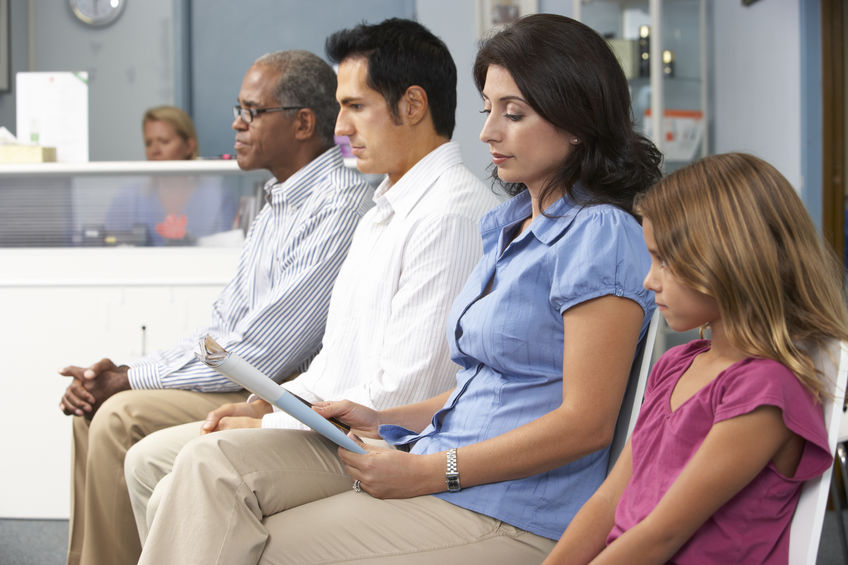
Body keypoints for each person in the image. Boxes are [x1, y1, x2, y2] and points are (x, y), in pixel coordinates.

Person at [137, 14, 661, 564]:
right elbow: (480, 392)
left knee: (252, 541)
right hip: (447, 466)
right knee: (213, 494)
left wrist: (430, 470)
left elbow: (586, 424)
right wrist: (381, 417)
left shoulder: (598, 232)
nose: (488, 133)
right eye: (489, 111)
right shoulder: (512, 225)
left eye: (515, 114)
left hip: (511, 510)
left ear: (577, 121)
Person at [125, 16, 498, 551]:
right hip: (334, 430)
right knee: (149, 464)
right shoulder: (383, 209)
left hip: (381, 445)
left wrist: (268, 427)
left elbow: (404, 395)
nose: (340, 128)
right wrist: (265, 408)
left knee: (204, 466)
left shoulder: (450, 215)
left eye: (354, 106)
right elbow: (334, 362)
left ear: (412, 105)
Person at [59, 50, 374, 565]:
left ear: (302, 123)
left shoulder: (337, 205)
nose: (236, 123)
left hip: (278, 396)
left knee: (117, 415)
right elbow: (221, 328)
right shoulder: (277, 200)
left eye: (251, 111)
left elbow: (261, 354)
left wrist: (131, 380)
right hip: (243, 378)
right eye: (239, 109)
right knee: (92, 410)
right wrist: (126, 371)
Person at [543, 153, 848, 565]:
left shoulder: (765, 392)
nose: (649, 279)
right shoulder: (675, 365)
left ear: (731, 261)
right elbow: (609, 500)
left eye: (665, 260)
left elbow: (661, 535)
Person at [104, 105, 238, 245]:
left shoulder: (217, 196)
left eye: (164, 141)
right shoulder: (129, 197)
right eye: (148, 143)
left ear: (189, 146)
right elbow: (111, 246)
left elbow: (227, 249)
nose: (154, 150)